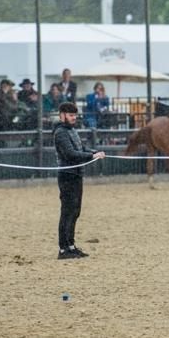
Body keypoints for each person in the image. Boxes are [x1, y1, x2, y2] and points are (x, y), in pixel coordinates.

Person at [54, 102, 106, 259]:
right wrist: (91, 156)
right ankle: (63, 249)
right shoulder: (61, 133)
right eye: (70, 115)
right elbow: (70, 154)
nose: (73, 118)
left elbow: (81, 149)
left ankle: (71, 245)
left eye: (75, 115)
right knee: (67, 212)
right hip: (67, 176)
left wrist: (94, 152)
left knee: (75, 212)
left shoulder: (71, 131)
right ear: (62, 115)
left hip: (76, 175)